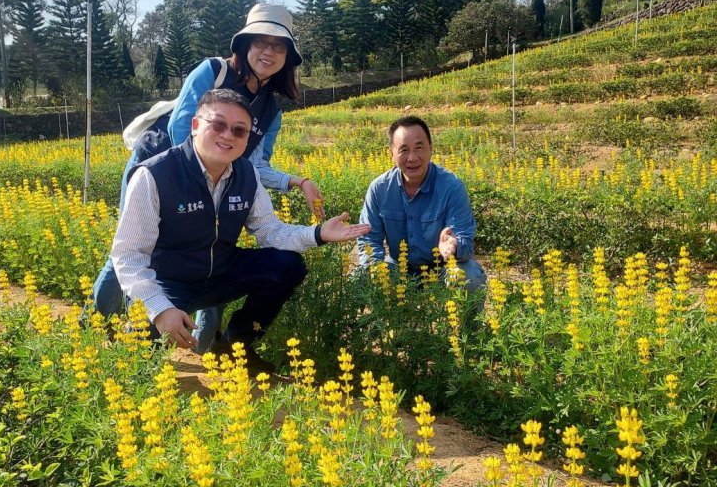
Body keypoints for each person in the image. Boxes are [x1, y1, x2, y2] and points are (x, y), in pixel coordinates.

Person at [92, 3, 324, 342]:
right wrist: (201, 182)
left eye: (279, 46)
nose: (268, 51)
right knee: (130, 247)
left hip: (217, 174)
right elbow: (181, 127)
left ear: (287, 57)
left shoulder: (271, 110)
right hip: (160, 165)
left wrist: (296, 181)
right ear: (244, 45)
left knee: (216, 247)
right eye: (261, 41)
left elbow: (256, 166)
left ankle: (204, 342)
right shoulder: (212, 70)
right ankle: (96, 324)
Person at [111, 88, 368, 371]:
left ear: (247, 139)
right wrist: (159, 308)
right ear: (195, 126)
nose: (227, 136)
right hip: (170, 282)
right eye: (218, 125)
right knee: (138, 357)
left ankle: (235, 345)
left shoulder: (247, 175)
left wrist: (318, 233)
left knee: (287, 265)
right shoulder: (154, 175)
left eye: (239, 130)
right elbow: (128, 256)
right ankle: (133, 343)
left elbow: (269, 231)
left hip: (220, 274)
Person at [357, 114, 487, 291]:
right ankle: (386, 319)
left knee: (469, 277)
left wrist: (453, 245)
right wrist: (373, 270)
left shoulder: (452, 187)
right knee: (359, 279)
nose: (412, 157)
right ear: (392, 154)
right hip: (398, 269)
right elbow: (369, 239)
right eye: (403, 150)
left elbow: (464, 238)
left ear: (431, 149)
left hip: (441, 269)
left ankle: (466, 320)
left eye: (419, 148)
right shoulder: (379, 189)